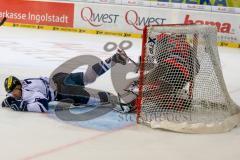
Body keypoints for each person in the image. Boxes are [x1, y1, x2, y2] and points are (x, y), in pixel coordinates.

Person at [1, 49, 129, 112]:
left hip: (63, 90)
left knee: (94, 99)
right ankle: (114, 58)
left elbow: (43, 106)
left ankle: (122, 102)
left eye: (14, 91)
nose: (14, 94)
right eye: (11, 92)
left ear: (19, 87)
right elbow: (9, 96)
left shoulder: (28, 92)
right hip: (58, 77)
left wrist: (19, 106)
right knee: (88, 77)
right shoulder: (19, 85)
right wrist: (9, 99)